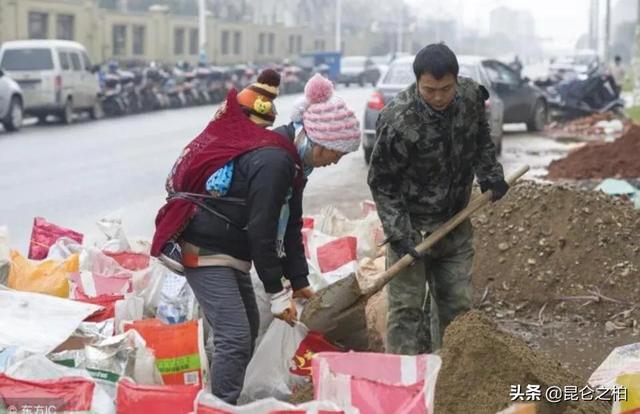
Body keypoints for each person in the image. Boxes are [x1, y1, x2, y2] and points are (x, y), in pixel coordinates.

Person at [151, 72, 360, 404]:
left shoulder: (291, 162)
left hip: (229, 249)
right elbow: (263, 229)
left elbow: (289, 224)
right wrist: (277, 294)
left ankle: (223, 399)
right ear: (316, 140)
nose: (334, 161)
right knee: (234, 335)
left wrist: (298, 279)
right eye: (335, 153)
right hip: (205, 247)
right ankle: (219, 406)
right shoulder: (274, 160)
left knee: (245, 327)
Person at [367, 43, 508, 355]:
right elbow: (382, 182)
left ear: (456, 80)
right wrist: (398, 234)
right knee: (406, 312)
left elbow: (482, 136)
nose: (439, 97)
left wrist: (490, 173)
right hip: (412, 231)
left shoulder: (471, 97)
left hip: (455, 224)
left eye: (445, 89)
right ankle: (404, 384)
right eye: (430, 90)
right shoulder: (398, 120)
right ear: (418, 82)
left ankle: (448, 379)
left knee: (456, 308)